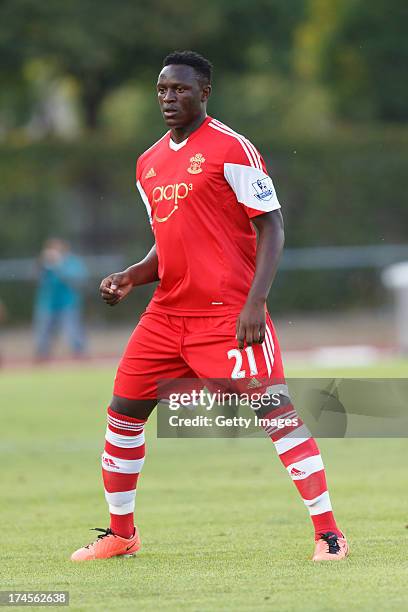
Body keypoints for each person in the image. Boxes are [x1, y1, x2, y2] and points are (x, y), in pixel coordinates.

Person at [71, 51, 348, 562]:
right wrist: (132, 277)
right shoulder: (148, 163)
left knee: (277, 416)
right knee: (122, 417)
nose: (169, 99)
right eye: (161, 90)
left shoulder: (232, 148)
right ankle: (120, 534)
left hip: (228, 315)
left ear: (204, 93)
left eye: (179, 89)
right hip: (165, 315)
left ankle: (329, 535)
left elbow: (272, 226)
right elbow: (171, 241)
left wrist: (255, 302)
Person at [33, 238, 87, 360]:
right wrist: (42, 264)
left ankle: (80, 355)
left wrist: (59, 265)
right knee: (43, 334)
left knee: (73, 332)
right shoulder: (46, 264)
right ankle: (42, 356)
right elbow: (38, 280)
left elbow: (76, 279)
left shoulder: (72, 262)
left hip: (68, 304)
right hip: (48, 305)